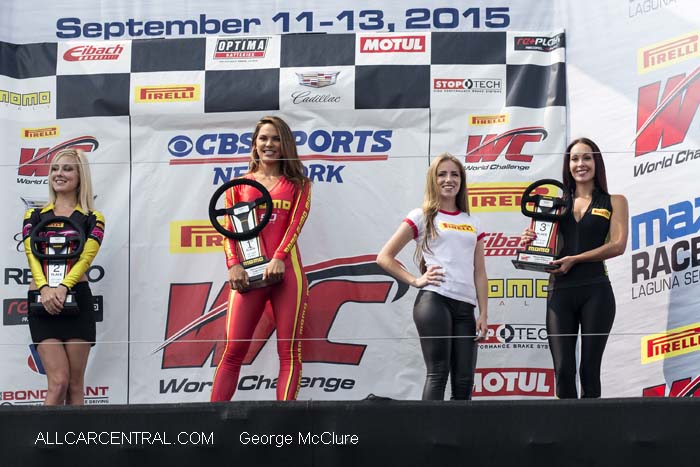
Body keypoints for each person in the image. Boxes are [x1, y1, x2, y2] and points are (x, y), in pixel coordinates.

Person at [211, 116, 311, 402]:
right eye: (264, 138)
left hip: (286, 273)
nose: (269, 144)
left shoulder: (299, 184)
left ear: (286, 144)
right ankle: (211, 423)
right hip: (247, 275)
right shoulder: (238, 185)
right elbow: (228, 231)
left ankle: (285, 423)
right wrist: (233, 265)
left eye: (276, 138)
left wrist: (279, 257)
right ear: (254, 144)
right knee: (233, 351)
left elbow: (295, 224)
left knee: (289, 353)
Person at [520, 137, 628, 398]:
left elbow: (618, 245)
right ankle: (565, 425)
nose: (581, 164)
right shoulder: (555, 203)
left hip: (596, 291)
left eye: (587, 157)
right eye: (575, 159)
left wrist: (576, 259)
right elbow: (553, 248)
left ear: (596, 162)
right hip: (560, 291)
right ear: (568, 165)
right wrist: (533, 241)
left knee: (589, 370)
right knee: (563, 371)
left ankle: (592, 426)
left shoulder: (615, 201)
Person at [377, 153, 488, 400]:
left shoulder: (473, 222)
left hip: (466, 308)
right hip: (435, 301)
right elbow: (384, 257)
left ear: (462, 180)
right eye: (442, 174)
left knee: (464, 380)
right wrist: (415, 281)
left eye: (455, 174)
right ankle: (429, 427)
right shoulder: (422, 215)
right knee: (438, 374)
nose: (449, 179)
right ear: (433, 180)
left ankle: (459, 428)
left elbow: (479, 272)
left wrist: (483, 313)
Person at [22, 148, 105, 406]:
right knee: (58, 382)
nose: (59, 174)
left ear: (81, 177)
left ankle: (76, 434)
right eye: (55, 169)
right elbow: (31, 255)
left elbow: (86, 259)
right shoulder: (34, 215)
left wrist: (64, 287)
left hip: (77, 299)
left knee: (75, 385)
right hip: (42, 299)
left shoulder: (93, 218)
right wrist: (45, 288)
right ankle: (44, 434)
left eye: (67, 169)